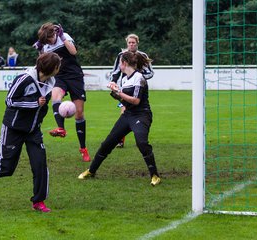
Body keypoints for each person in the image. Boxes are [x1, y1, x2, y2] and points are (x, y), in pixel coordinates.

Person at [0, 52, 61, 213]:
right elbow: (9, 100)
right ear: (51, 68)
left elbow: (47, 104)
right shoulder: (25, 79)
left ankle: (38, 201)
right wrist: (33, 103)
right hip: (13, 128)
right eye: (58, 66)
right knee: (6, 168)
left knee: (40, 165)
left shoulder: (51, 82)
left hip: (33, 130)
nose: (59, 68)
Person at [78, 51, 161, 186]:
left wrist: (119, 92)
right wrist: (115, 92)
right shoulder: (124, 78)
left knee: (141, 143)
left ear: (124, 63)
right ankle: (91, 171)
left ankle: (155, 175)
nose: (118, 66)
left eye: (119, 63)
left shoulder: (139, 78)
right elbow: (125, 101)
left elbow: (135, 101)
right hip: (128, 115)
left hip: (141, 115)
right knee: (107, 143)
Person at [32, 22, 91, 162]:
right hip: (59, 76)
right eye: (47, 40)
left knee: (79, 113)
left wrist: (63, 37)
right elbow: (43, 64)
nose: (51, 41)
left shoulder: (63, 36)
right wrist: (40, 51)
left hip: (75, 76)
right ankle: (61, 128)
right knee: (55, 96)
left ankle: (83, 148)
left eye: (52, 37)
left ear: (54, 33)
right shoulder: (45, 46)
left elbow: (74, 52)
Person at [109, 34, 154, 148]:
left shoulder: (142, 55)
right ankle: (121, 140)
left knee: (137, 111)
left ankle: (140, 137)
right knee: (124, 111)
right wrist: (113, 82)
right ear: (127, 43)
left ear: (137, 43)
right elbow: (115, 71)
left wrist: (138, 76)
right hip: (125, 89)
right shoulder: (121, 55)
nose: (131, 44)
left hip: (139, 88)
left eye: (133, 42)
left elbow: (150, 73)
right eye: (129, 42)